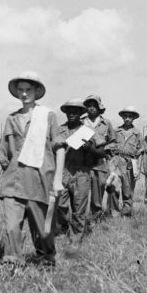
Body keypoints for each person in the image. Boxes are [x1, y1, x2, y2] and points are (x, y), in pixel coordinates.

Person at [0, 71, 63, 268]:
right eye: (20, 90)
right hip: (13, 181)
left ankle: (46, 258)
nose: (24, 94)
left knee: (42, 229)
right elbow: (3, 153)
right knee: (12, 226)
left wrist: (57, 180)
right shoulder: (11, 119)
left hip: (39, 180)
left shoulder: (47, 116)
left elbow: (60, 148)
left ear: (37, 91)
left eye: (28, 89)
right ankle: (13, 263)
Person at [54, 98, 98, 252]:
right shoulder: (59, 130)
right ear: (65, 113)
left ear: (81, 113)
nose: (72, 113)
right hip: (63, 170)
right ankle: (64, 228)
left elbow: (97, 154)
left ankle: (75, 239)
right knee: (60, 204)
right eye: (69, 111)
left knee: (79, 208)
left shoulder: (87, 131)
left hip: (81, 172)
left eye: (76, 111)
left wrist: (88, 147)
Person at [105, 106, 143, 217]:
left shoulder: (137, 133)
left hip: (130, 163)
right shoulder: (116, 131)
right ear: (122, 117)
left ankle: (126, 213)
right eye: (125, 116)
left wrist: (138, 169)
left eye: (130, 116)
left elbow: (140, 151)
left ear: (133, 119)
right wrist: (110, 161)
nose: (127, 118)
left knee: (128, 190)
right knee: (114, 186)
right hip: (116, 161)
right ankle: (114, 212)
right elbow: (108, 145)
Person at [82, 95, 115, 222]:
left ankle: (96, 215)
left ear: (99, 108)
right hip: (84, 162)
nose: (91, 108)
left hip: (100, 162)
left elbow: (113, 141)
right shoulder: (81, 122)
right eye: (89, 106)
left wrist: (104, 149)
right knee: (83, 190)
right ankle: (82, 216)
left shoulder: (106, 123)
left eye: (94, 106)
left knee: (99, 188)